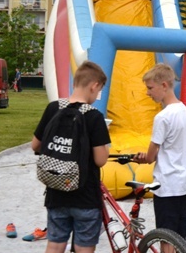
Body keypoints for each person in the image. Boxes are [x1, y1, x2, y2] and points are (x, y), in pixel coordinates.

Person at [31, 61, 110, 253]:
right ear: (94, 86)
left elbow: (35, 145)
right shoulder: (94, 117)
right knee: (84, 245)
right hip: (85, 196)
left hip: (56, 192)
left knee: (55, 243)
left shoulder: (53, 108)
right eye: (99, 90)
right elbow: (100, 160)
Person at [134, 63, 186, 240]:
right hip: (185, 184)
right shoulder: (184, 110)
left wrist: (142, 158)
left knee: (166, 238)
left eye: (150, 88)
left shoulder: (163, 117)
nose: (148, 93)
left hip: (167, 186)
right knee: (179, 237)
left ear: (164, 85)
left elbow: (151, 156)